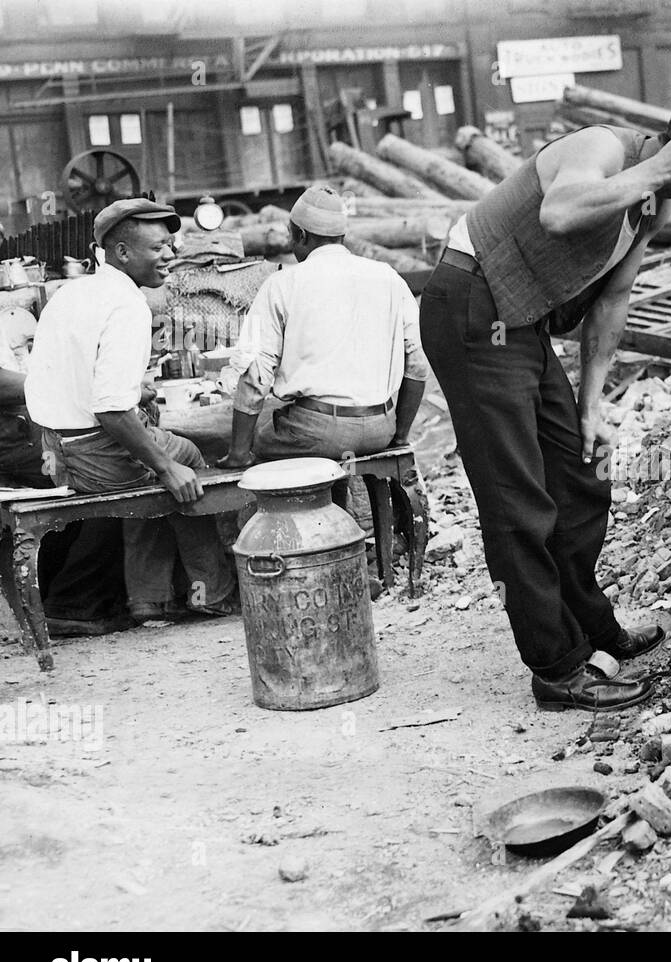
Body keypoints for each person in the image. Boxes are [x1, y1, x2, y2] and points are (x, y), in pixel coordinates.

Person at [420, 93, 671, 712]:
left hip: (517, 321)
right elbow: (558, 211)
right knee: (517, 499)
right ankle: (556, 668)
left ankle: (591, 629)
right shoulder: (604, 149)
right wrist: (657, 172)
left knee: (581, 479)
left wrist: (590, 405)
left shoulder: (652, 204)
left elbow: (612, 301)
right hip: (470, 303)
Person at [24, 198, 239, 623]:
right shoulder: (127, 306)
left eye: (171, 245)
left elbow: (63, 380)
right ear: (122, 252)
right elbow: (110, 411)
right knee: (187, 461)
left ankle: (149, 597)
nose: (170, 255)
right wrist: (166, 468)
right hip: (93, 455)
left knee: (155, 446)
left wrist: (135, 401)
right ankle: (211, 592)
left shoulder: (74, 292)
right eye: (158, 247)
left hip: (53, 449)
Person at [217, 186, 429, 472]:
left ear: (301, 235)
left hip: (315, 433)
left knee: (252, 444)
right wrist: (399, 436)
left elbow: (254, 372)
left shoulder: (282, 284)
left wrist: (239, 452)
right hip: (381, 428)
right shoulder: (389, 277)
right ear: (341, 237)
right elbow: (417, 363)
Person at [1, 340, 128, 637]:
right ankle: (75, 602)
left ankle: (57, 594)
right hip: (13, 437)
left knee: (91, 463)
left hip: (20, 428)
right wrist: (72, 387)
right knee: (109, 468)